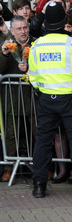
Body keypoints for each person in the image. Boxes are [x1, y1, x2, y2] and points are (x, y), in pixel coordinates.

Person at [28, 2, 72, 198]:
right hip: (70, 99)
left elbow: (32, 77)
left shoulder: (36, 46)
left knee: (42, 141)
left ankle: (39, 185)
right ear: (62, 21)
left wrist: (43, 91)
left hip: (46, 99)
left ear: (46, 24)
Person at [0, 16, 36, 182]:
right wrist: (4, 55)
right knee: (11, 134)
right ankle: (9, 168)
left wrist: (30, 67)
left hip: (33, 96)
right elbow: (1, 68)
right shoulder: (8, 45)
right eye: (19, 29)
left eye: (25, 28)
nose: (23, 31)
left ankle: (44, 166)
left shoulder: (36, 43)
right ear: (12, 31)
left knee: (38, 132)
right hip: (13, 96)